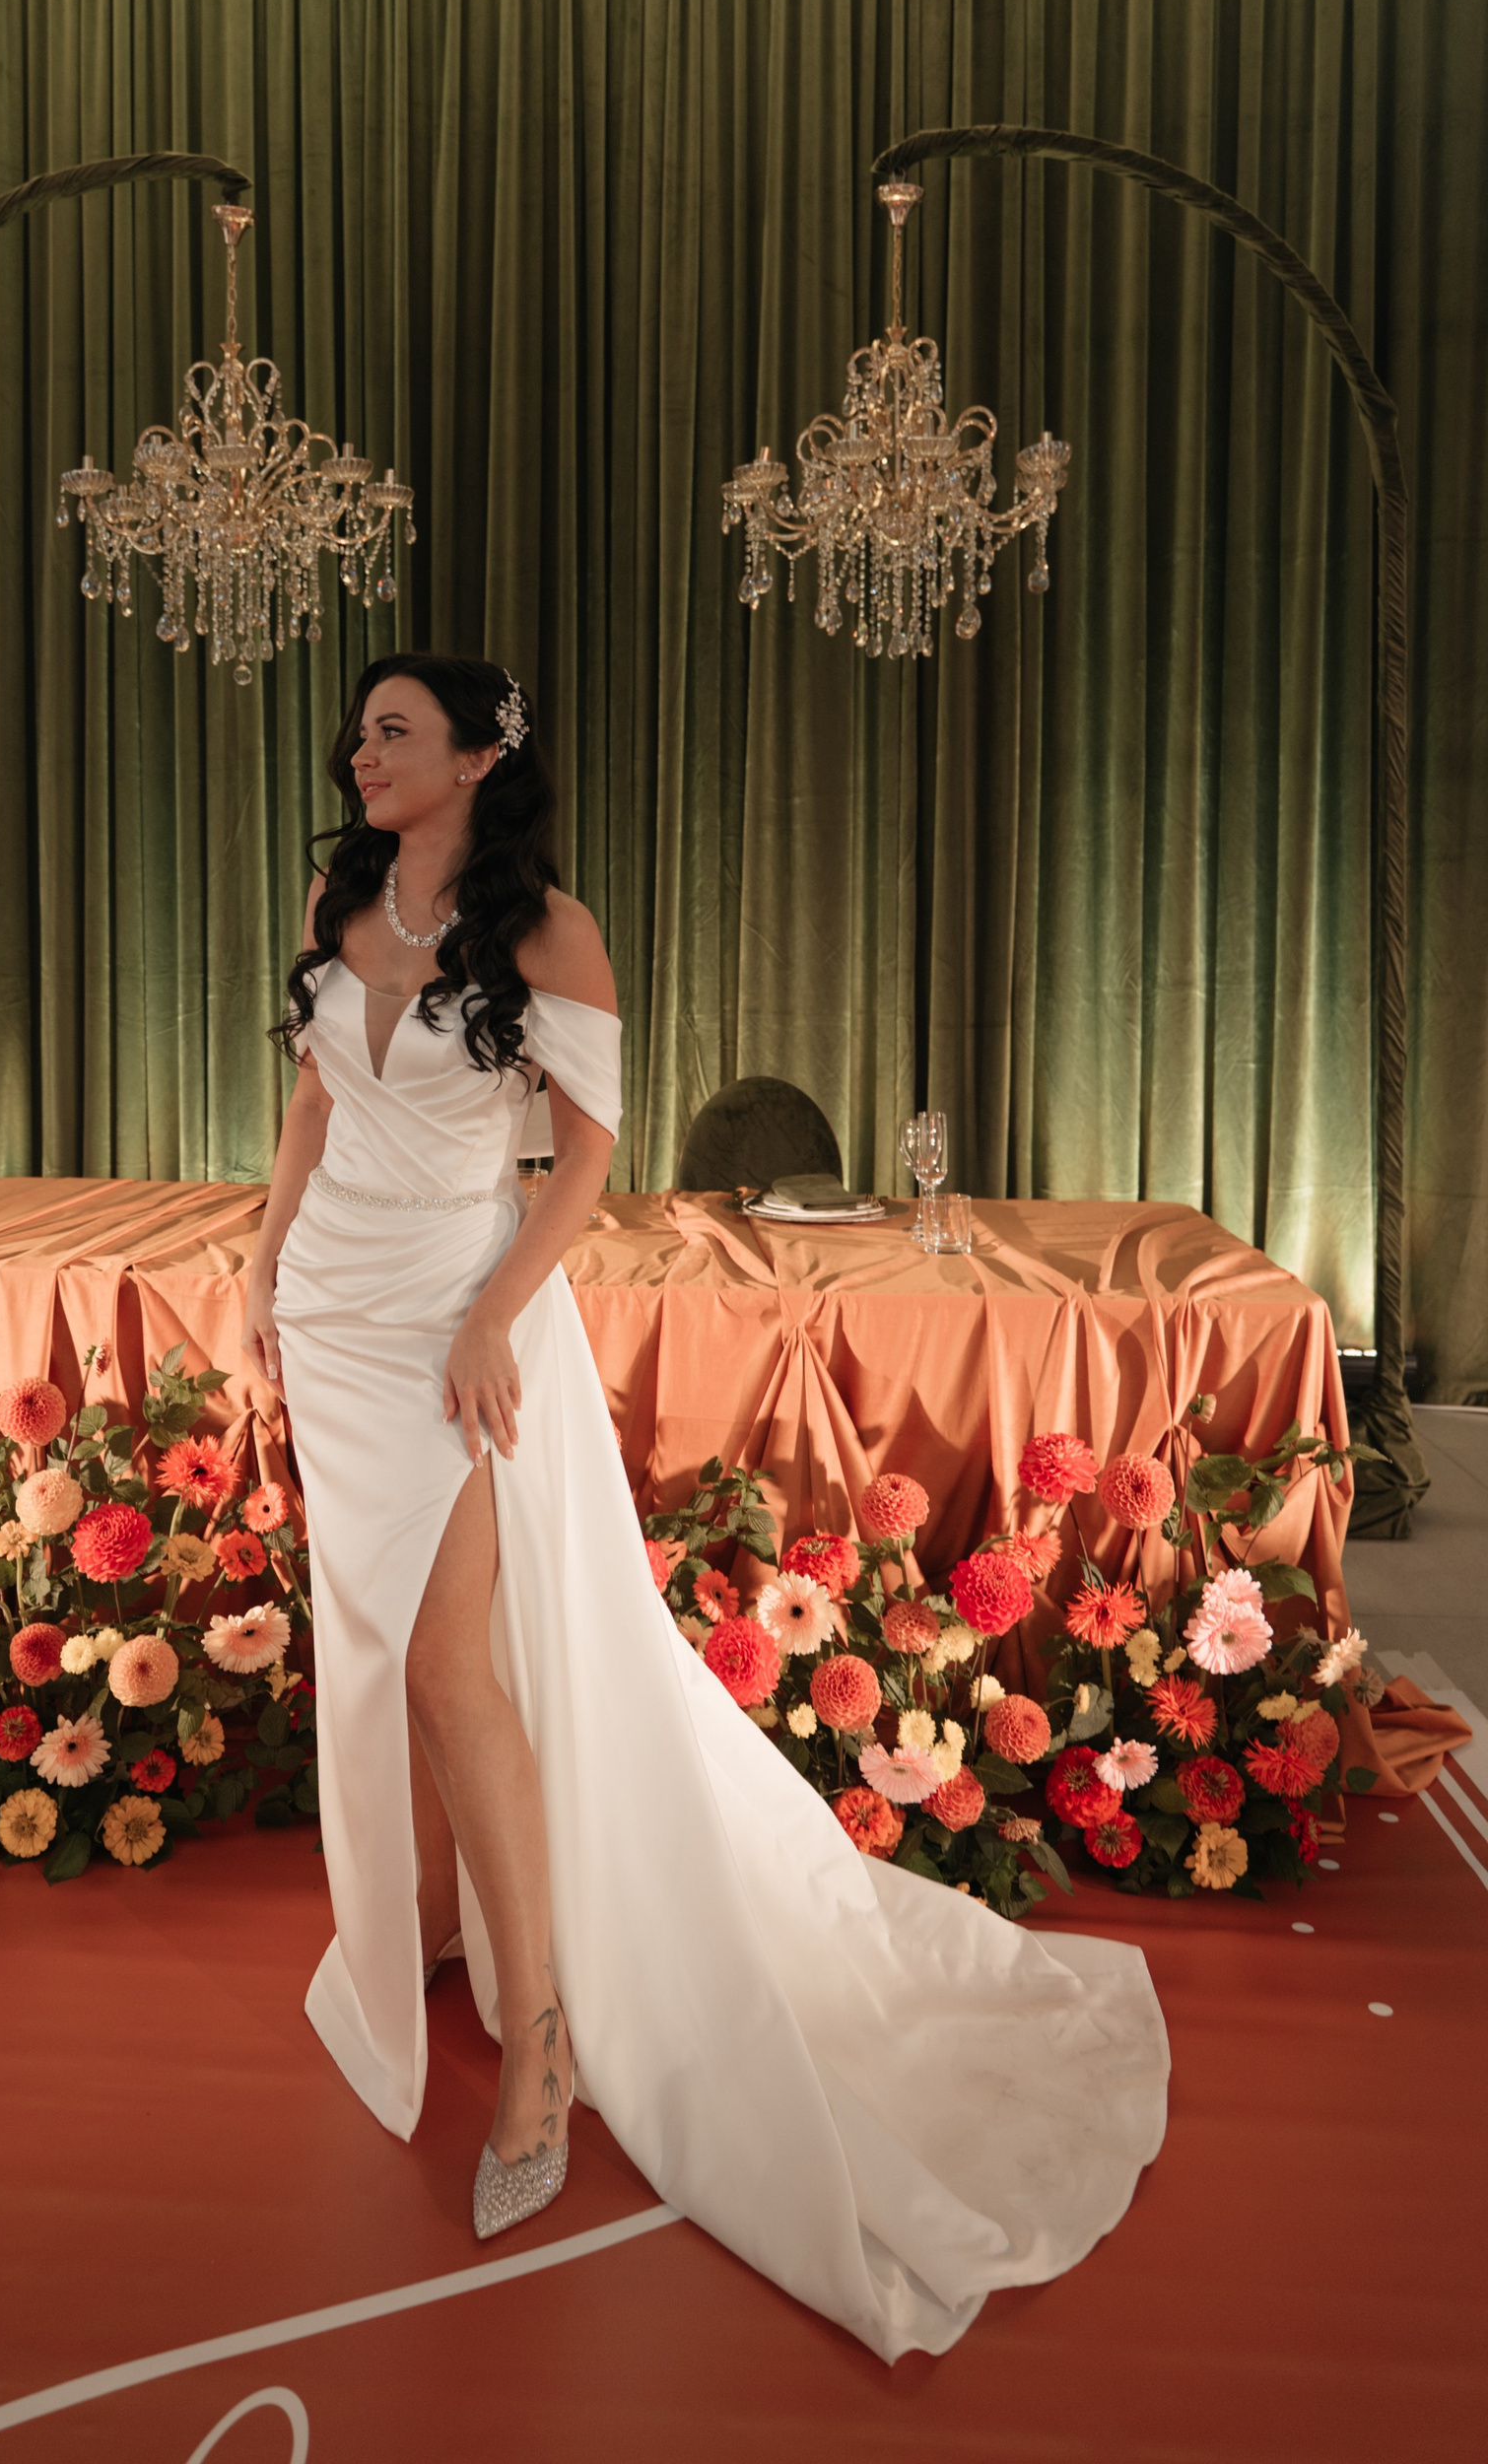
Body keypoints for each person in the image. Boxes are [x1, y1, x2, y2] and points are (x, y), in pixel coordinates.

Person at [240, 650, 1169, 2360]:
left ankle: (542, 2039)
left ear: (477, 758)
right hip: (330, 1314)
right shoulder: (337, 897)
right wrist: (258, 1271)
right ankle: (440, 1927)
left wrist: (490, 1317)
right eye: (360, 731)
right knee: (375, 1660)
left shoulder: (551, 933)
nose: (361, 753)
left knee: (450, 1670)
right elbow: (311, 1101)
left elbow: (587, 1162)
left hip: (455, 1321)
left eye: (396, 732)